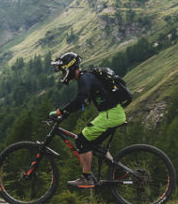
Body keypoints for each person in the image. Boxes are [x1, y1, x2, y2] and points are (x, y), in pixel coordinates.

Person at [49, 51, 127, 188]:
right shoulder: (87, 77)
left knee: (81, 140)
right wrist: (65, 114)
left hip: (111, 114)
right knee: (93, 144)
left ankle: (86, 178)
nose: (62, 74)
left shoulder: (85, 78)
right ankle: (118, 169)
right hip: (112, 113)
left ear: (69, 68)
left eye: (62, 70)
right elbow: (84, 102)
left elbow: (80, 99)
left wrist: (61, 111)